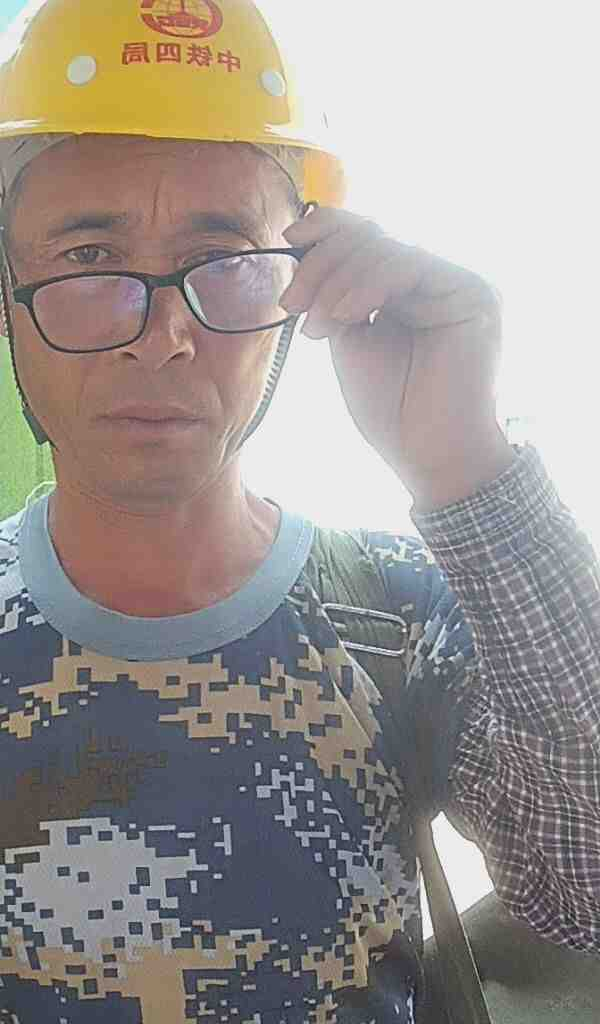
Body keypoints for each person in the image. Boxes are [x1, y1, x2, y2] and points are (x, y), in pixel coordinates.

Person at [0, 2, 598, 1022]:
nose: (164, 336)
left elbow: (582, 891)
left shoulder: (396, 613)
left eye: (227, 260)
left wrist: (467, 468)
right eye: (90, 259)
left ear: (306, 281)